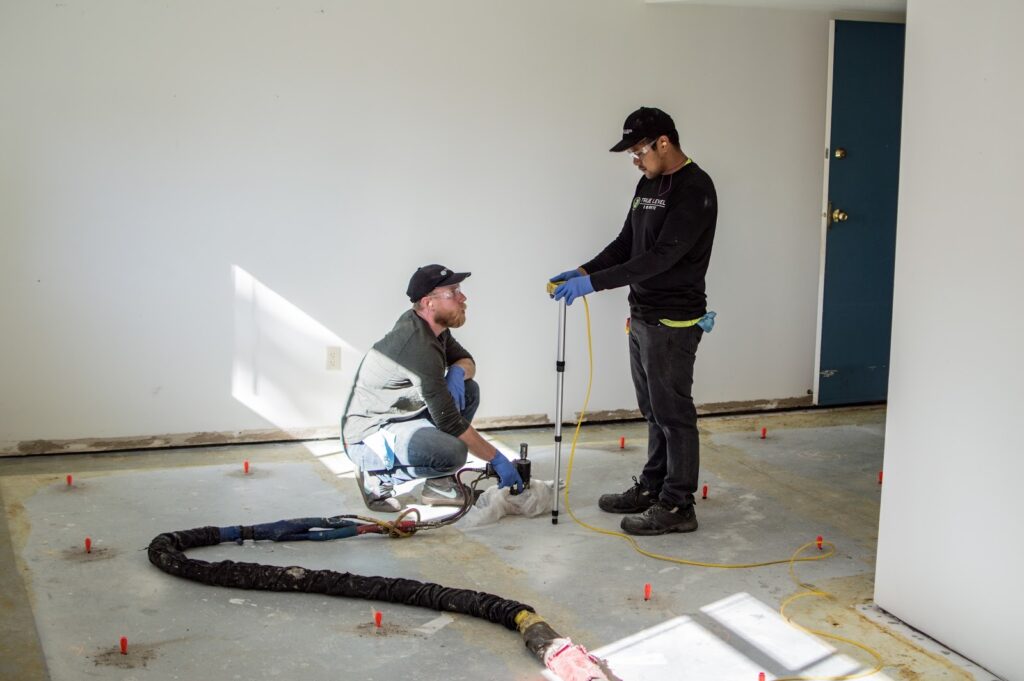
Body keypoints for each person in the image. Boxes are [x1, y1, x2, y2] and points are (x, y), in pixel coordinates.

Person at [550, 106, 717, 536]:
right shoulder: (648, 185)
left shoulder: (696, 189)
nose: (636, 161)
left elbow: (659, 259)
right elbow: (627, 243)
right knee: (653, 410)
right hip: (642, 314)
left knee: (674, 413)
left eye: (640, 151)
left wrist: (596, 285)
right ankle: (654, 485)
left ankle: (679, 506)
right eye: (632, 155)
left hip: (674, 321)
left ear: (664, 142)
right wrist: (586, 272)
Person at [342, 264, 524, 513]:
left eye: (459, 290)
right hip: (370, 435)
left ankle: (439, 484)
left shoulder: (435, 329)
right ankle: (377, 477)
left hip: (405, 417)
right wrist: (496, 458)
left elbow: (467, 361)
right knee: (453, 453)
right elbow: (449, 422)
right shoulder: (417, 346)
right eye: (453, 293)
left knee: (469, 391)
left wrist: (458, 373)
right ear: (429, 303)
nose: (463, 298)